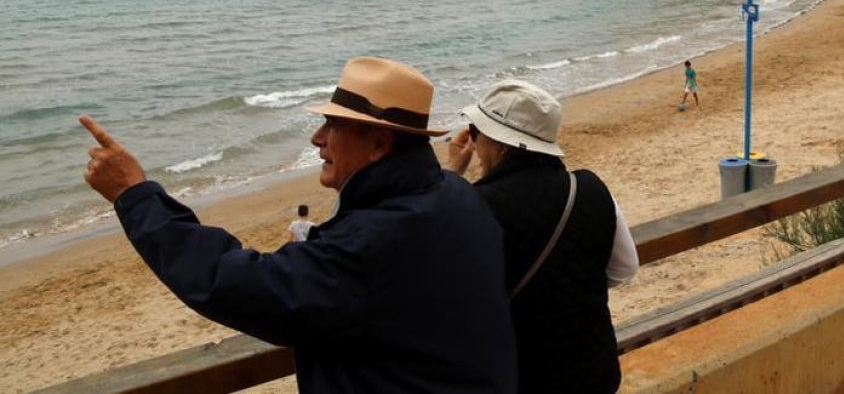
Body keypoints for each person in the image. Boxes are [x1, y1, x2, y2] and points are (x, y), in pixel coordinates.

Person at [81, 56, 517, 393]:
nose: (317, 138)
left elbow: (232, 282)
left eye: (333, 125)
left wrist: (134, 195)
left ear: (379, 143)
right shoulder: (455, 195)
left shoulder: (373, 241)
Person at [447, 80, 637, 394]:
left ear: (503, 144)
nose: (474, 143)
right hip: (595, 374)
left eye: (476, 132)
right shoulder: (589, 188)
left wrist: (452, 173)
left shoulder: (472, 206)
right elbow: (625, 269)